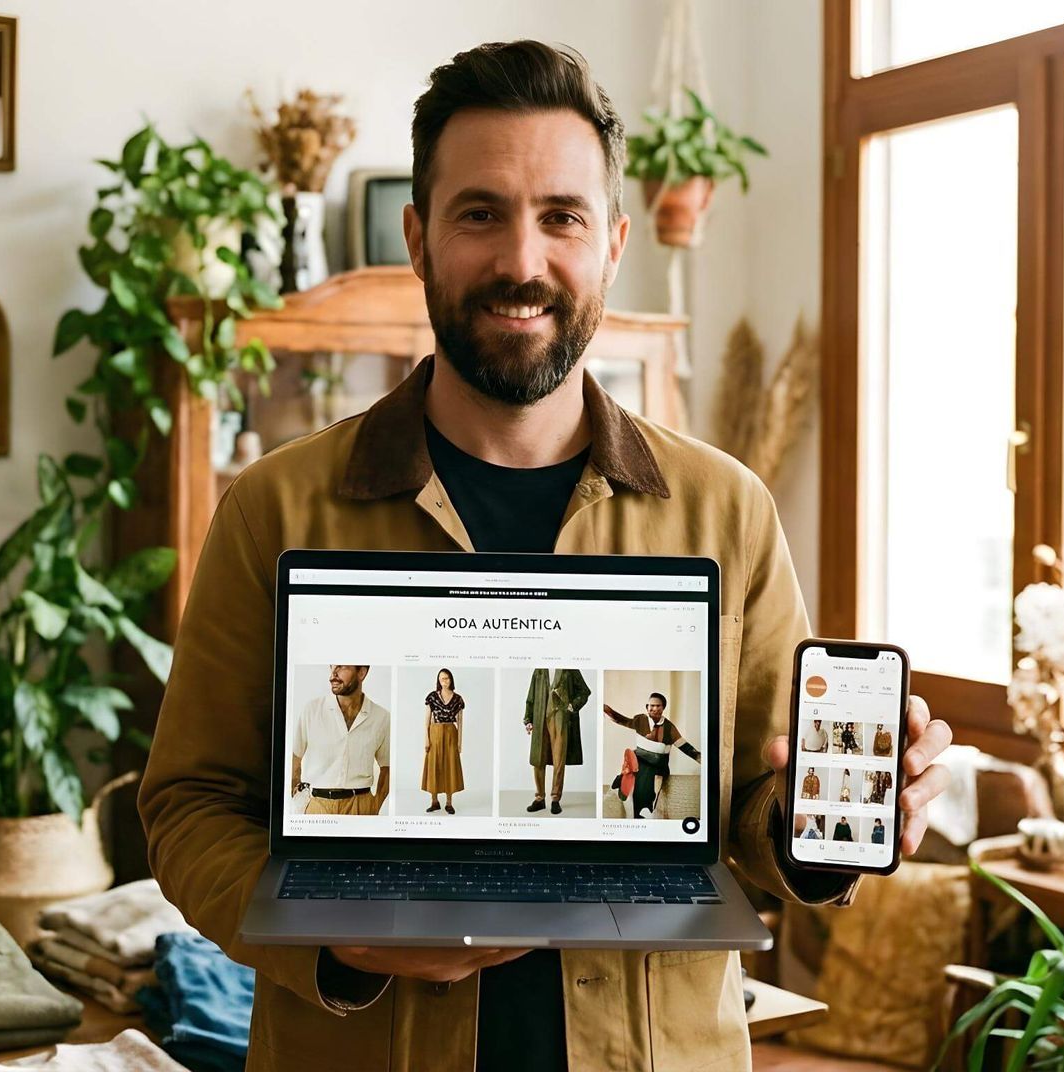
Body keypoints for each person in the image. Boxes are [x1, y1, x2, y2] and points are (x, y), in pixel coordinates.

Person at [136, 40, 955, 1071]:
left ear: (614, 243)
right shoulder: (272, 507)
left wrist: (812, 823)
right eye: (480, 213)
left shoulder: (727, 510)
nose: (522, 262)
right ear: (419, 239)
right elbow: (184, 806)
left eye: (561, 216)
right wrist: (333, 942)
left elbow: (754, 811)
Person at [290, 665, 390, 816]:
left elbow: (387, 766)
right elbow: (295, 756)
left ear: (361, 672)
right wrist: (296, 795)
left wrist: (375, 807)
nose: (333, 675)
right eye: (332, 667)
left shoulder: (381, 717)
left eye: (342, 667)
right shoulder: (312, 710)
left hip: (361, 806)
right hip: (317, 807)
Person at [603, 692, 700, 818]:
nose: (654, 708)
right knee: (636, 758)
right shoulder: (640, 720)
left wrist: (703, 759)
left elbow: (685, 747)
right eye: (651, 705)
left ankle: (643, 810)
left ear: (663, 707)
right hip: (639, 760)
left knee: (644, 767)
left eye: (658, 706)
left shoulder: (669, 727)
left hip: (659, 764)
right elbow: (622, 720)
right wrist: (607, 710)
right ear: (646, 707)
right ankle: (624, 786)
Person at [521, 667, 588, 813]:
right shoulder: (539, 670)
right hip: (540, 718)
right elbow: (531, 697)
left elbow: (584, 691)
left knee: (559, 759)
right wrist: (528, 719)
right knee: (538, 758)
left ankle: (555, 799)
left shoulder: (569, 668)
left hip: (560, 717)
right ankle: (539, 799)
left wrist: (572, 706)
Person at [422, 668, 466, 814]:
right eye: (442, 679)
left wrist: (460, 742)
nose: (444, 681)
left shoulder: (458, 699)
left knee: (450, 766)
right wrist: (426, 739)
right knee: (434, 766)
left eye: (447, 678)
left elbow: (460, 722)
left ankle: (449, 803)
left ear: (451, 679)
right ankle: (434, 802)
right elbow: (427, 720)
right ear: (438, 681)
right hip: (434, 733)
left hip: (451, 734)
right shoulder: (432, 697)